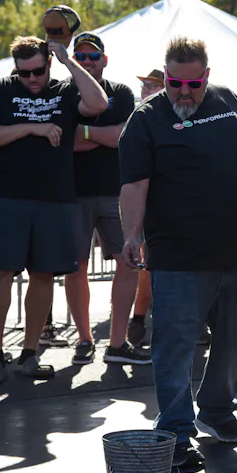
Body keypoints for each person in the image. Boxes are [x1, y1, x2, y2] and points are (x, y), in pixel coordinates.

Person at [118, 37, 237, 469]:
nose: (183, 92)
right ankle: (177, 431)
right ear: (165, 76)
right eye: (174, 83)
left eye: (193, 84)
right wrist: (131, 235)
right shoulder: (146, 119)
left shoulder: (229, 100)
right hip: (180, 258)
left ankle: (216, 410)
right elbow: (134, 184)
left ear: (207, 77)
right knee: (175, 348)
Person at [0, 36, 108, 384]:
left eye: (38, 71)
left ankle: (30, 354)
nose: (31, 79)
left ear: (48, 64)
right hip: (5, 198)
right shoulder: (1, 90)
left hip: (54, 199)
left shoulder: (64, 90)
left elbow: (98, 103)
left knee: (44, 274)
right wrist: (31, 127)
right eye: (24, 73)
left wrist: (69, 61)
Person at [64, 32, 149, 365]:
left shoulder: (121, 92)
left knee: (128, 262)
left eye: (93, 56)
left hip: (117, 192)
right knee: (76, 267)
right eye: (80, 57)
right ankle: (84, 339)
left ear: (105, 60)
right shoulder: (63, 93)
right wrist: (104, 136)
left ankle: (117, 343)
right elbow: (63, 143)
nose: (87, 62)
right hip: (72, 192)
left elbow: (123, 137)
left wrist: (85, 132)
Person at [128, 67, 166, 347]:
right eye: (145, 85)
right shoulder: (136, 118)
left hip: (176, 202)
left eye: (153, 85)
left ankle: (196, 323)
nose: (146, 89)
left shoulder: (181, 116)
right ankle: (138, 319)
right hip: (145, 202)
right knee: (147, 266)